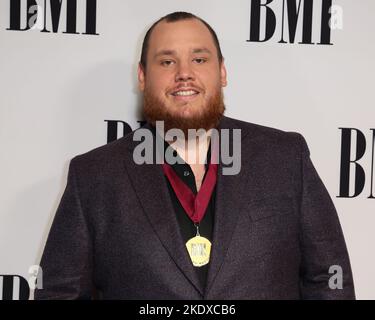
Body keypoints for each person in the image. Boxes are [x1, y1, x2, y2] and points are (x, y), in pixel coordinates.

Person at [35, 11, 355, 300]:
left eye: (199, 59)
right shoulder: (93, 177)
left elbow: (329, 278)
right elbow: (59, 294)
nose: (184, 73)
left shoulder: (285, 158)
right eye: (167, 61)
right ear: (143, 77)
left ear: (223, 72)